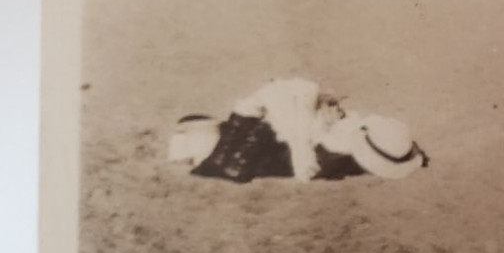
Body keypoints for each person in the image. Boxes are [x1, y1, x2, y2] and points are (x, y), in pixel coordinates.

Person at [176, 78, 428, 184]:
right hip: (288, 139)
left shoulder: (335, 153)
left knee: (290, 102)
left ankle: (214, 146)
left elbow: (315, 142)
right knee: (292, 101)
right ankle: (218, 143)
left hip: (278, 147)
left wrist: (322, 123)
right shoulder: (350, 139)